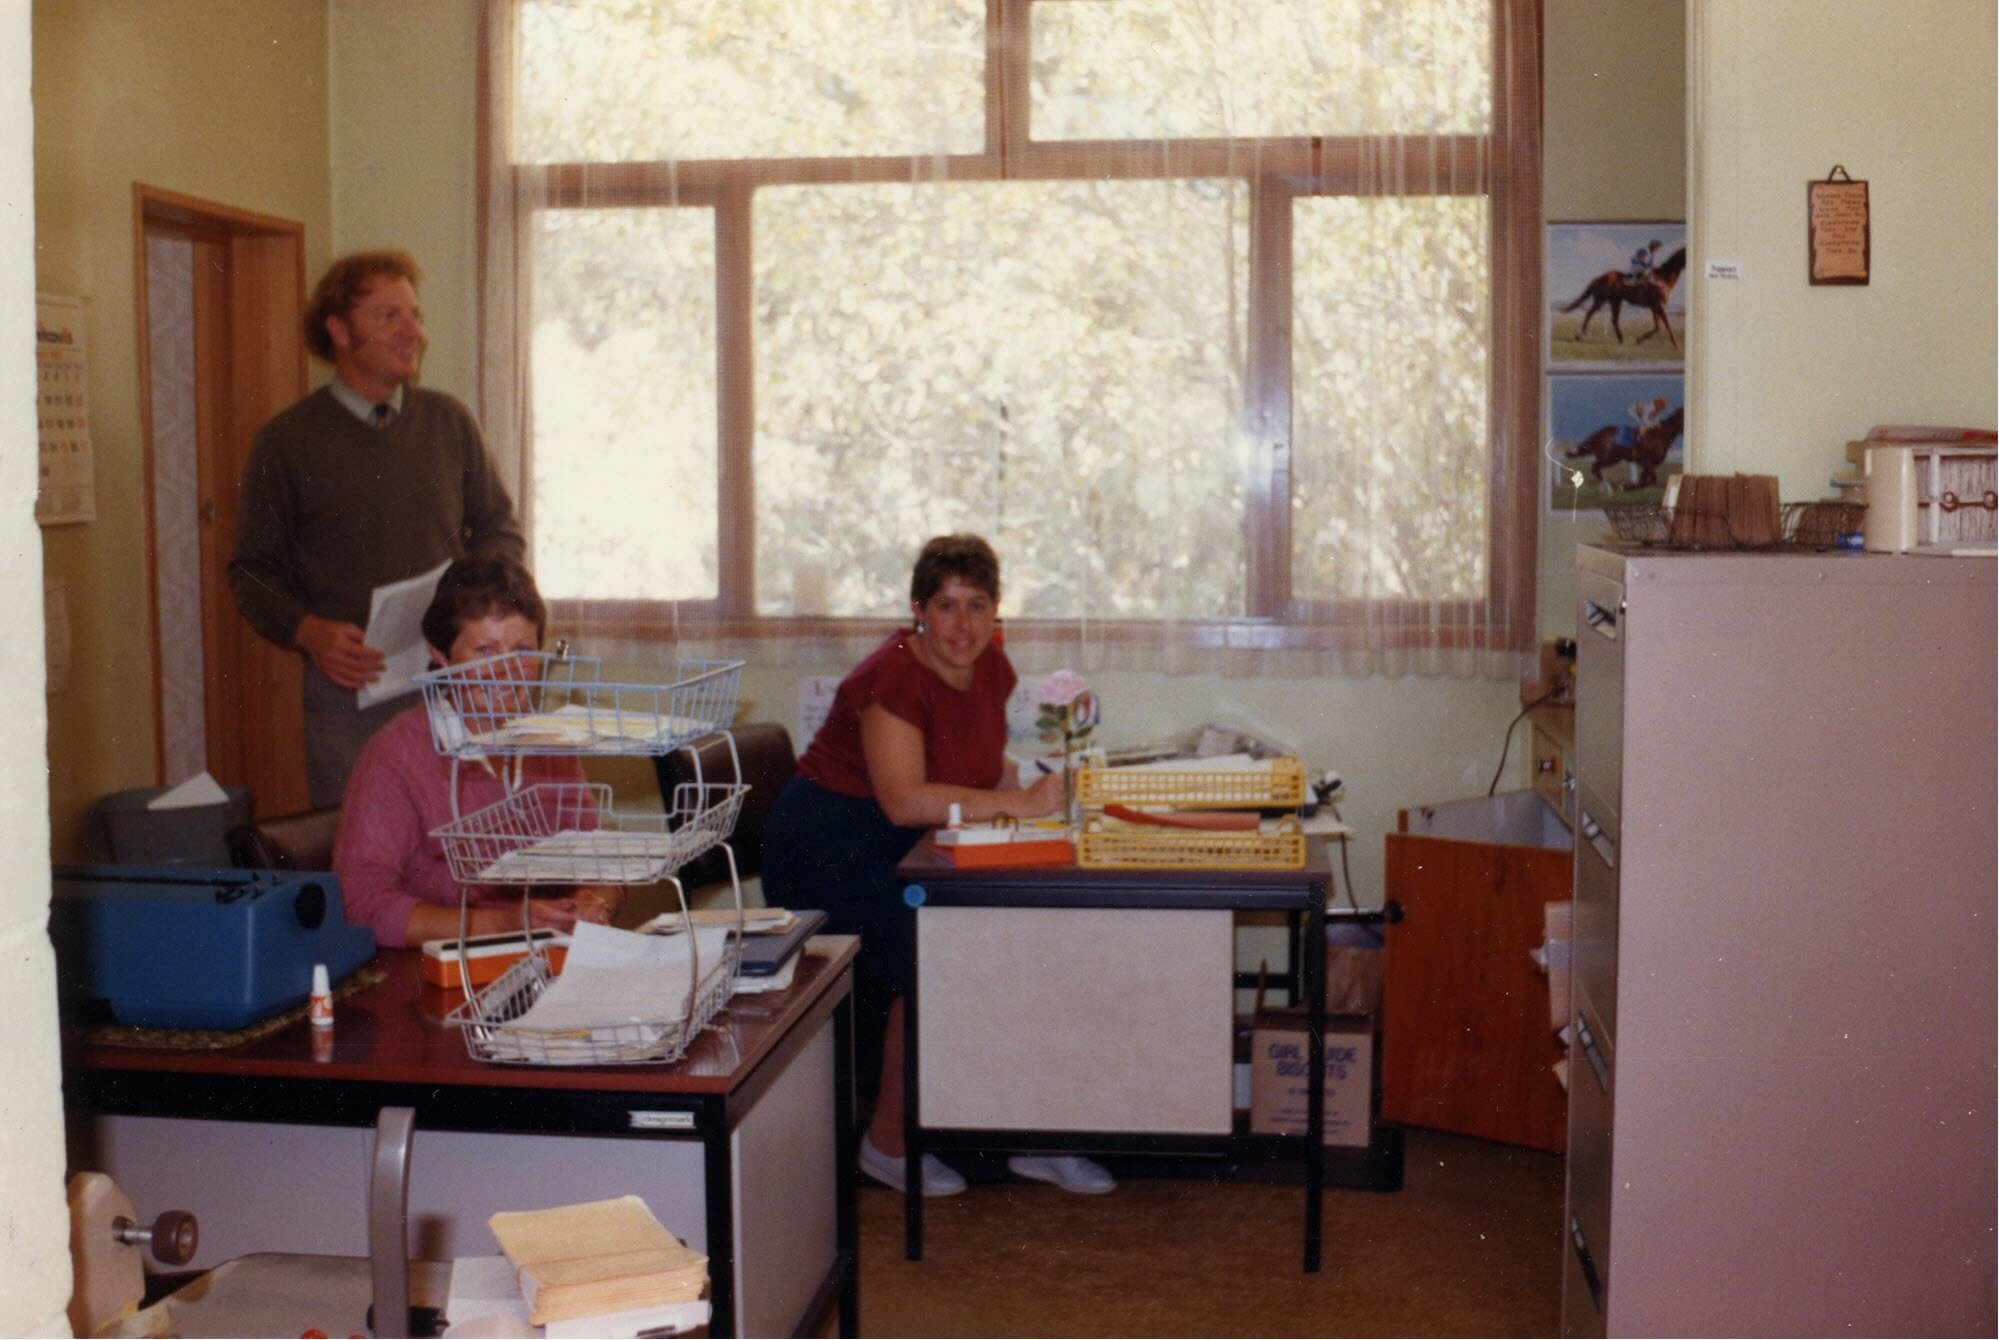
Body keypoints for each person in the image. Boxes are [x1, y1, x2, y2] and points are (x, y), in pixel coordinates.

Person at [762, 534, 1116, 1199]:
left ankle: (1037, 1135)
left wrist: (1042, 791)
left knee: (1034, 927)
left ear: (995, 611)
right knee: (934, 948)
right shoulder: (889, 675)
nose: (962, 625)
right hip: (830, 844)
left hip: (914, 838)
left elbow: (977, 766)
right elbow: (902, 800)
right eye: (946, 607)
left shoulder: (993, 668)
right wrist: (1018, 802)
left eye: (976, 606)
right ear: (916, 610)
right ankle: (886, 1144)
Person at [229, 249, 525, 807]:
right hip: (350, 693)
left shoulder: (448, 421)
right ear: (339, 330)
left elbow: (499, 531)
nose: (413, 332)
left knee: (469, 840)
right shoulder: (287, 441)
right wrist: (308, 631)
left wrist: (484, 613)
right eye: (388, 317)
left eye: (414, 315)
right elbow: (252, 572)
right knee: (364, 852)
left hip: (454, 682)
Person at [333, 555, 624, 948]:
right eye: (485, 651)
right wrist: (504, 923)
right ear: (440, 655)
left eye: (522, 650)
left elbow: (602, 864)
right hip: (432, 975)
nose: (506, 670)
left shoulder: (548, 742)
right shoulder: (394, 755)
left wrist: (592, 903)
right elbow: (361, 907)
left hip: (535, 959)